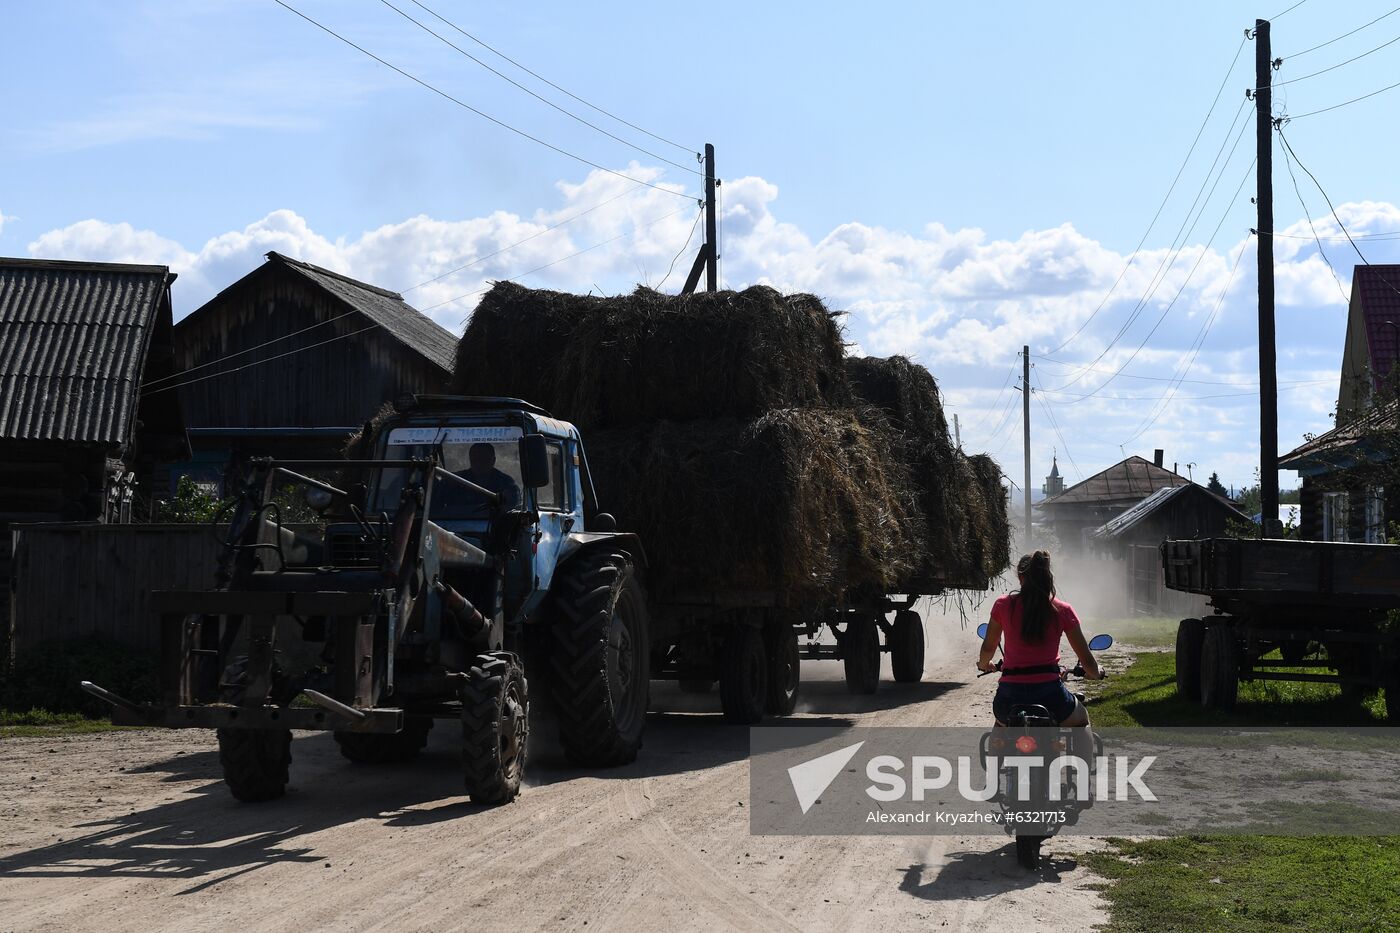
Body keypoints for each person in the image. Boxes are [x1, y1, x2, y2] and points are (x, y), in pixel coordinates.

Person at [977, 550, 1103, 727]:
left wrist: (984, 665)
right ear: (1047, 576)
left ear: (1021, 578)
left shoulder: (1002, 605)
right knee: (1082, 719)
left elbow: (988, 649)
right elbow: (1087, 661)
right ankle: (1085, 756)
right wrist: (1096, 673)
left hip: (1009, 697)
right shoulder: (1063, 610)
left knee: (1001, 726)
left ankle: (996, 753)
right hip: (1051, 696)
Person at [437, 443, 520, 517]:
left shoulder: (506, 483)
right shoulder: (454, 481)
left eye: (484, 460)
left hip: (495, 529)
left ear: (493, 460)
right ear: (470, 460)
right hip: (452, 529)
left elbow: (511, 513)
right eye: (475, 460)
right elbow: (436, 509)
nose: (479, 464)